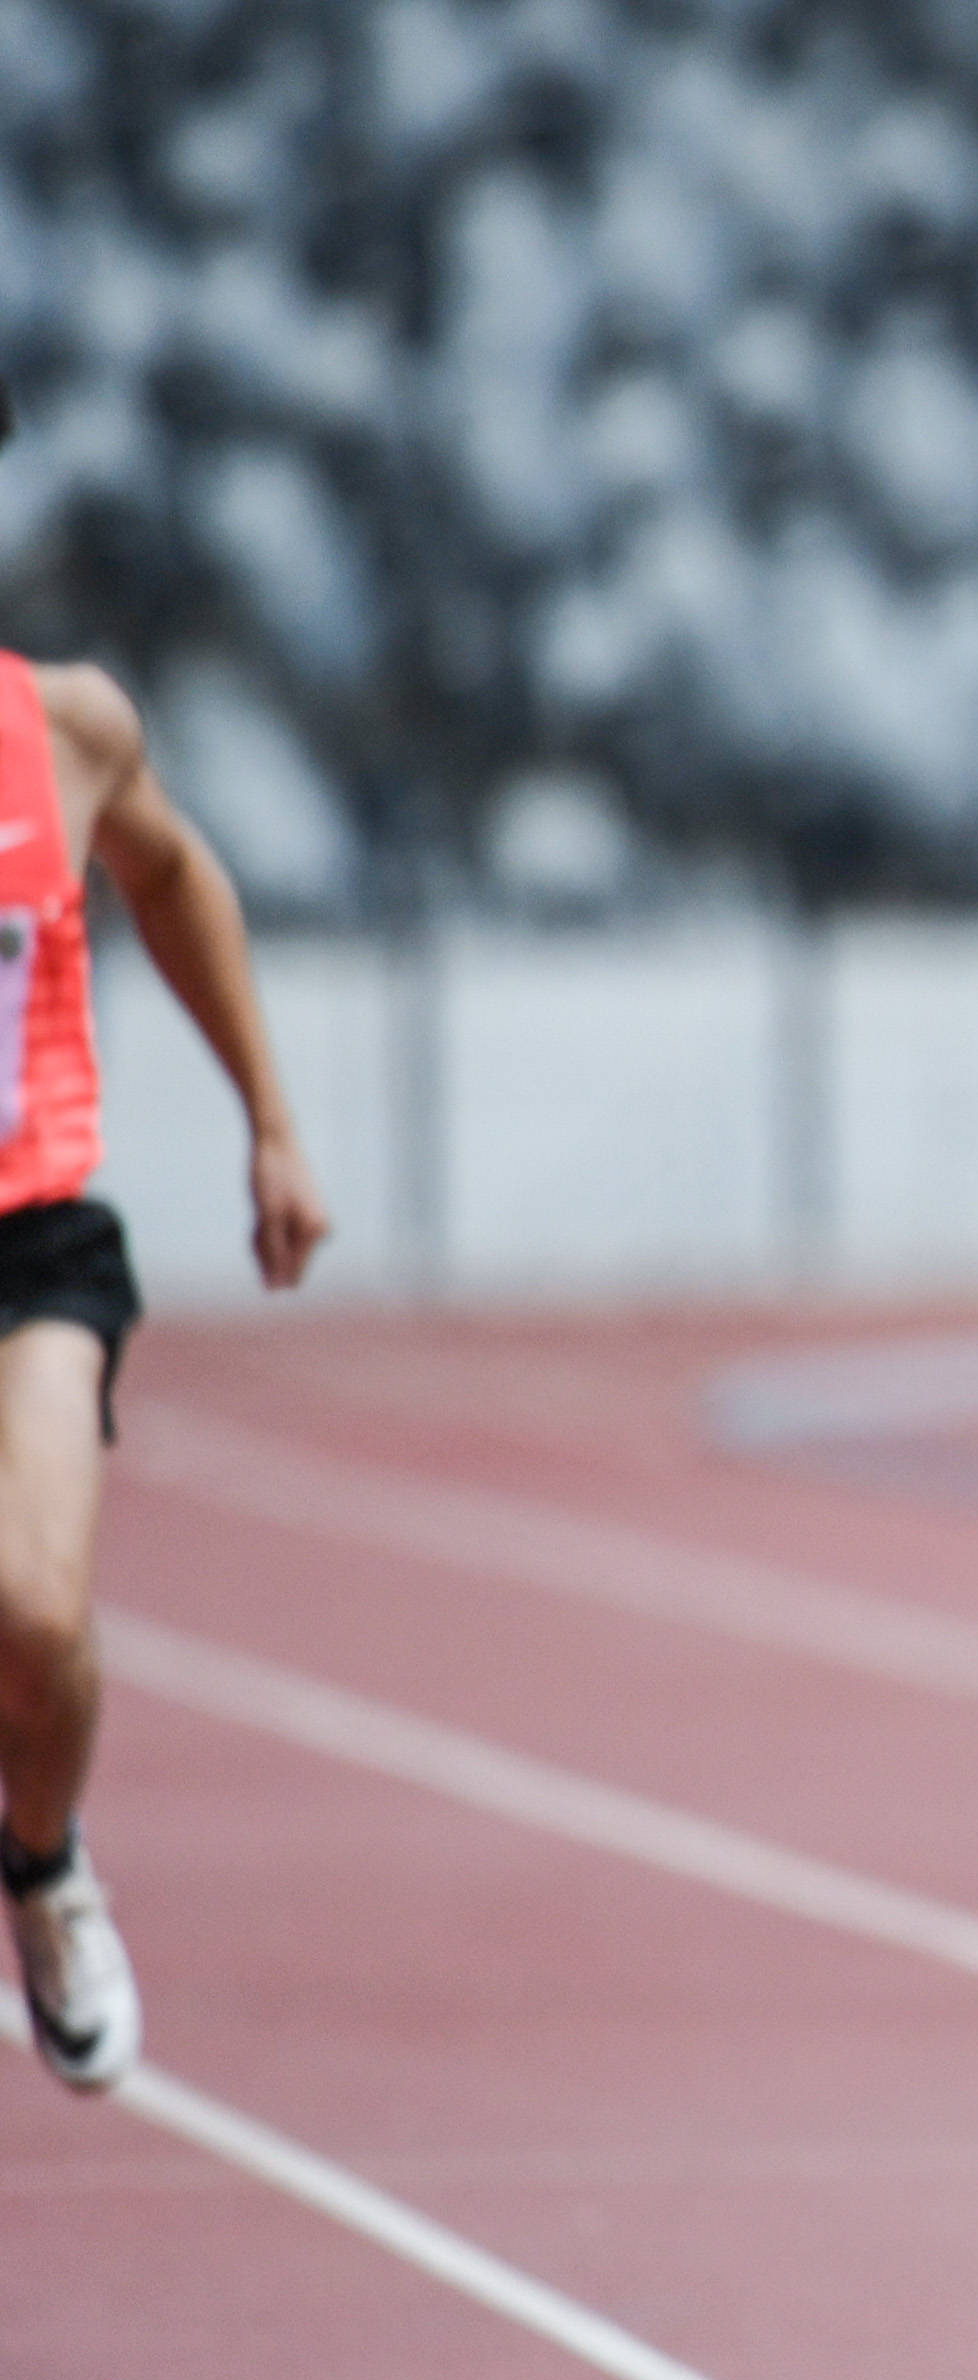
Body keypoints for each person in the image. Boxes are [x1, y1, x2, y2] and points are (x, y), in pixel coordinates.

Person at [0, 383, 334, 2094]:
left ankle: (43, 1861)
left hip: (27, 1241)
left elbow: (176, 874)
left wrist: (270, 1117)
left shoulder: (61, 729)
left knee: (38, 1618)